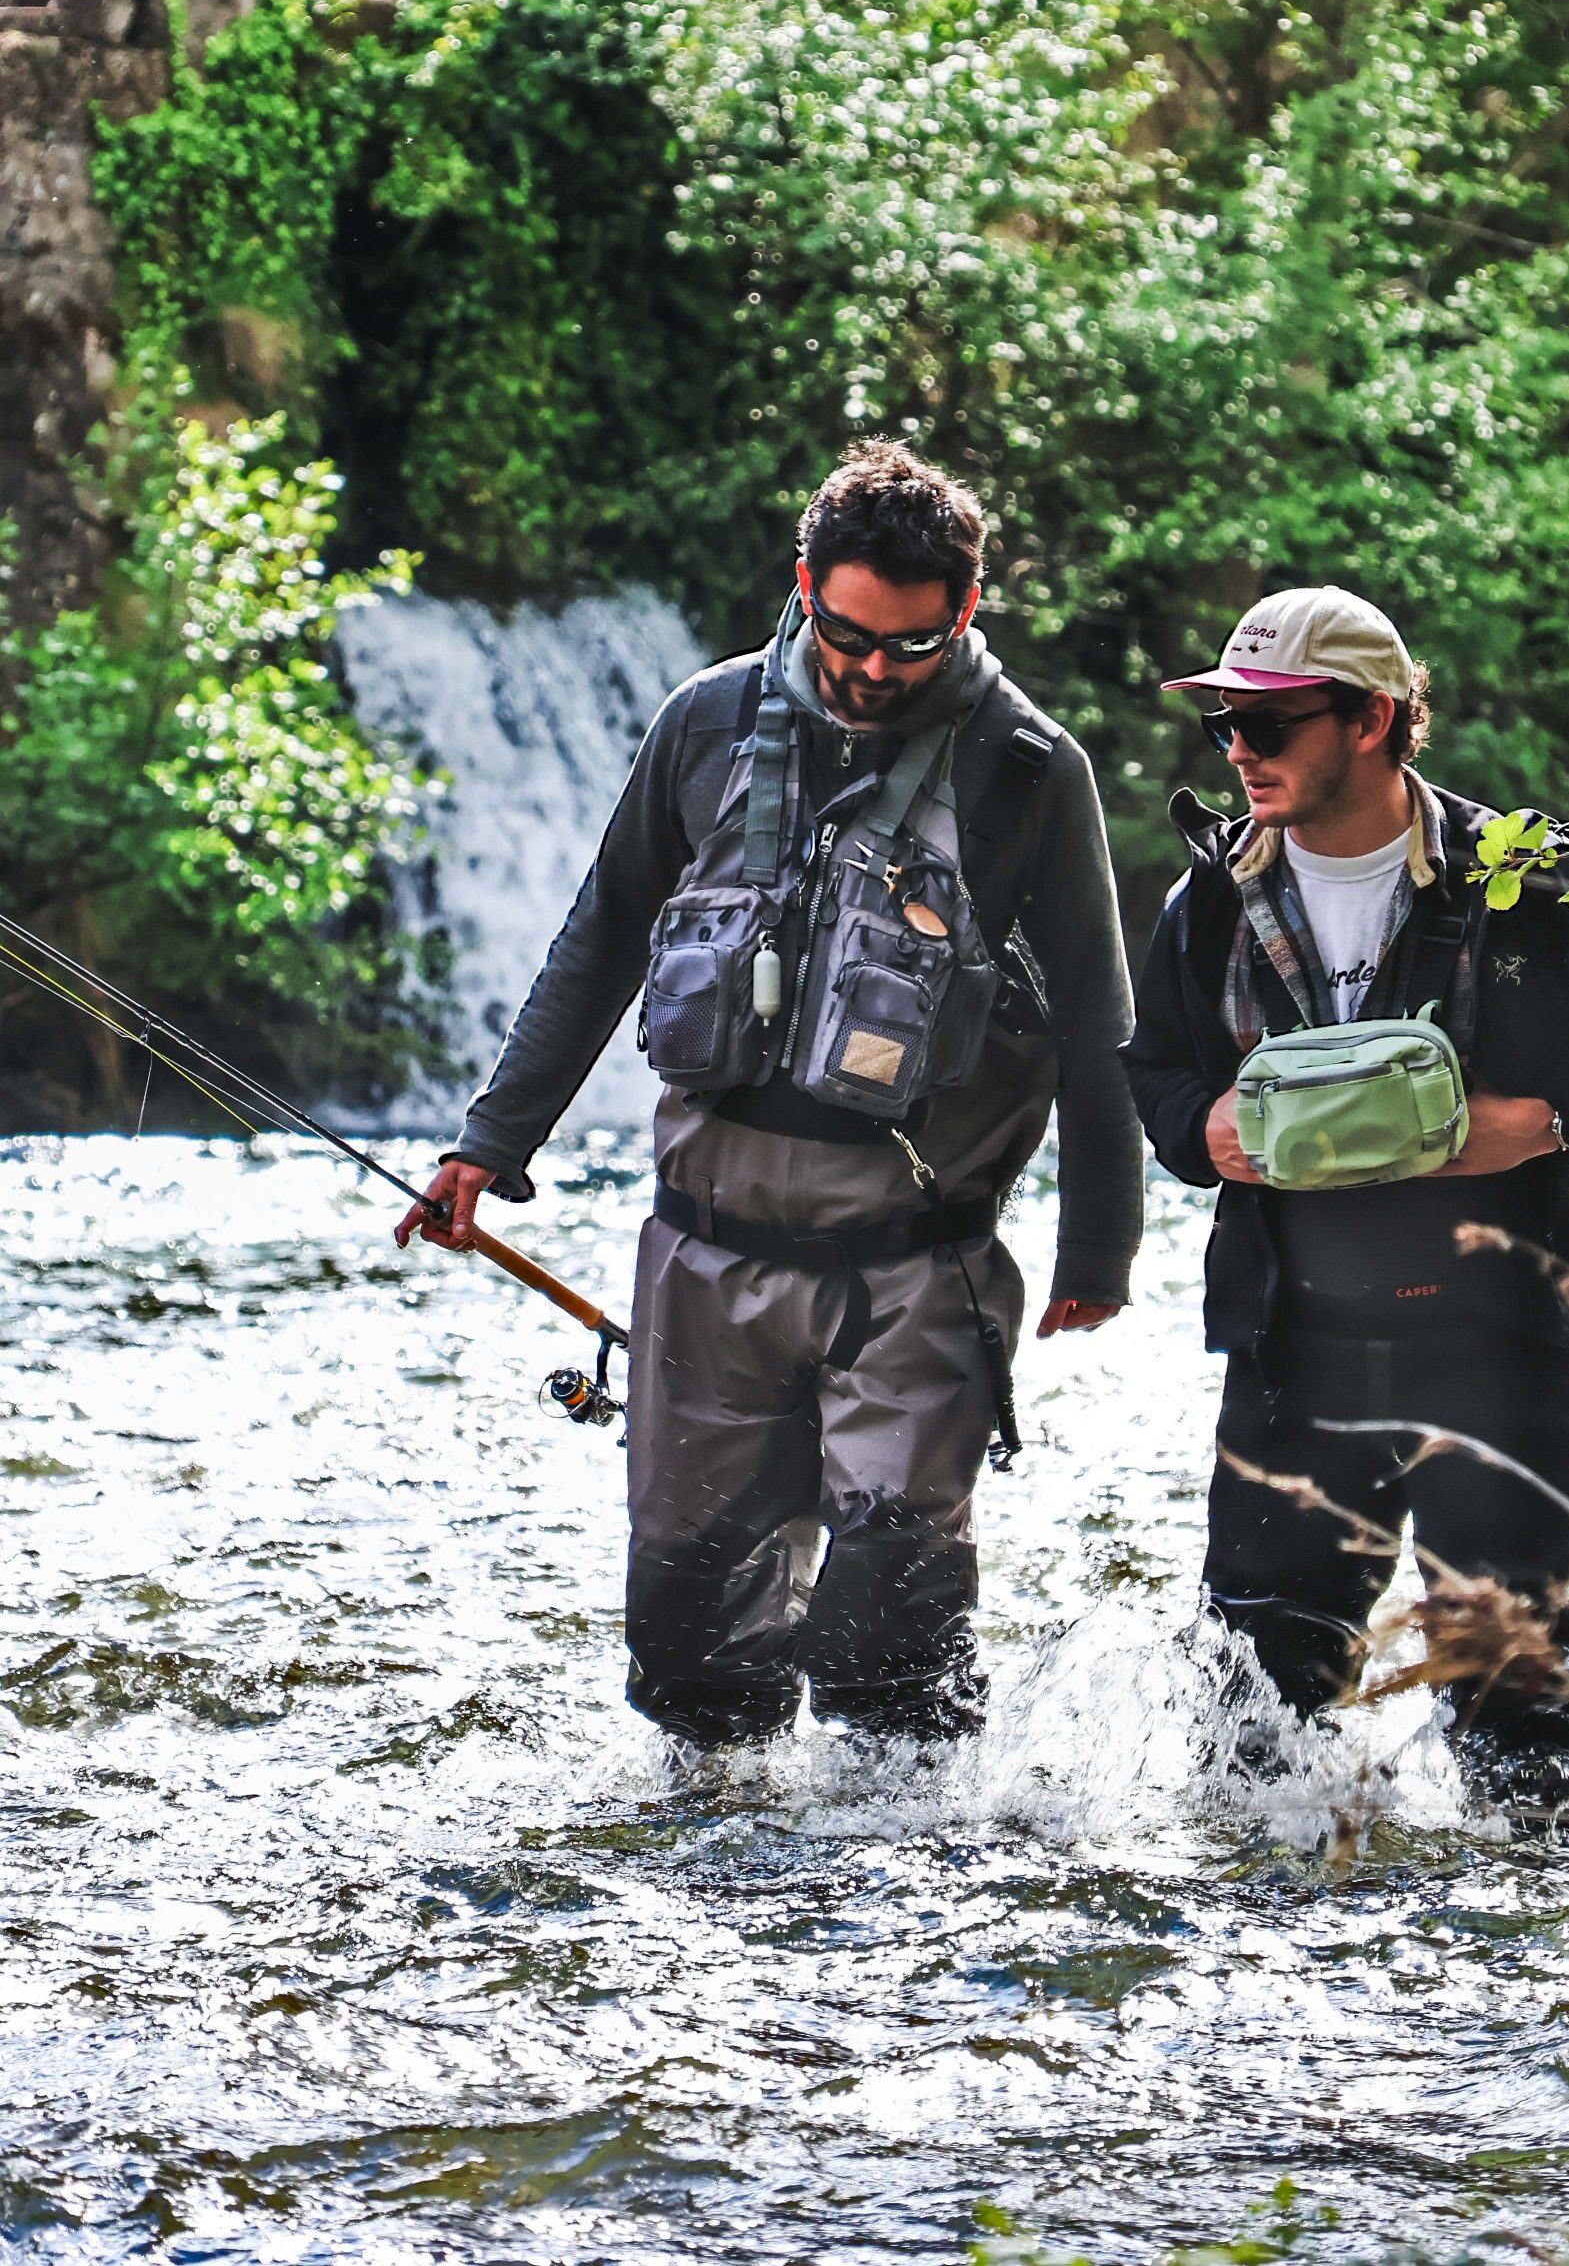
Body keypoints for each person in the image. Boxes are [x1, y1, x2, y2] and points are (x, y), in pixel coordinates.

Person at [398, 442, 1143, 1747]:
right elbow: (603, 935)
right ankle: (728, 1902)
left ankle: (913, 1903)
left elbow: (1098, 1022)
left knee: (888, 1649)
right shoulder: (702, 722)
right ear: (805, 584)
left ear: (964, 613)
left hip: (913, 1272)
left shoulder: (1030, 770)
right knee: (692, 1655)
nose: (869, 666)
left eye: (910, 645)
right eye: (844, 630)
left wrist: (1099, 1243)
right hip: (704, 1263)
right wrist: (488, 1143)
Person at [1124, 586, 1569, 1819]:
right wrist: (1200, 1128)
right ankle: (1257, 1981)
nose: (1238, 748)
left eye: (1270, 722)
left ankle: (1525, 1968)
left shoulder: (1523, 881)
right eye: (1224, 723)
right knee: (1252, 1712)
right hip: (1289, 1346)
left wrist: (1539, 1124)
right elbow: (1156, 1074)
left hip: (1497, 1341)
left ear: (1371, 719)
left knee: (1515, 1708)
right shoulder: (1206, 905)